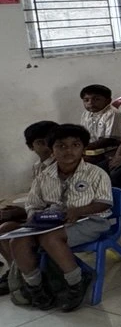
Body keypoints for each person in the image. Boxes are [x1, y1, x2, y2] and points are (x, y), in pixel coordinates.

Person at [7, 124, 113, 312]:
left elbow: (104, 203)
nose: (68, 150)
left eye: (75, 145)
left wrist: (79, 211)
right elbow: (33, 204)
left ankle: (76, 283)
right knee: (18, 241)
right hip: (51, 223)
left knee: (50, 238)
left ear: (83, 148)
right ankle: (36, 287)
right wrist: (35, 218)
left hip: (90, 221)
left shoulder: (96, 173)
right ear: (52, 149)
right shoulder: (44, 176)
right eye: (61, 146)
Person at [0, 120, 59, 299]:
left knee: (9, 230)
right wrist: (19, 209)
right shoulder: (38, 167)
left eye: (51, 142)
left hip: (56, 218)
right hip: (42, 213)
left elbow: (57, 203)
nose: (48, 147)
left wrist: (22, 213)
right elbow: (37, 197)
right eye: (41, 143)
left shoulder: (60, 166)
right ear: (30, 147)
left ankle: (22, 275)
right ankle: (15, 272)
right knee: (4, 227)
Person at [79, 84, 121, 154]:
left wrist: (84, 147)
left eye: (96, 99)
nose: (90, 103)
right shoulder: (86, 114)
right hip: (93, 149)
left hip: (112, 150)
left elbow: (110, 140)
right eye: (86, 100)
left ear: (108, 101)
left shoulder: (112, 114)